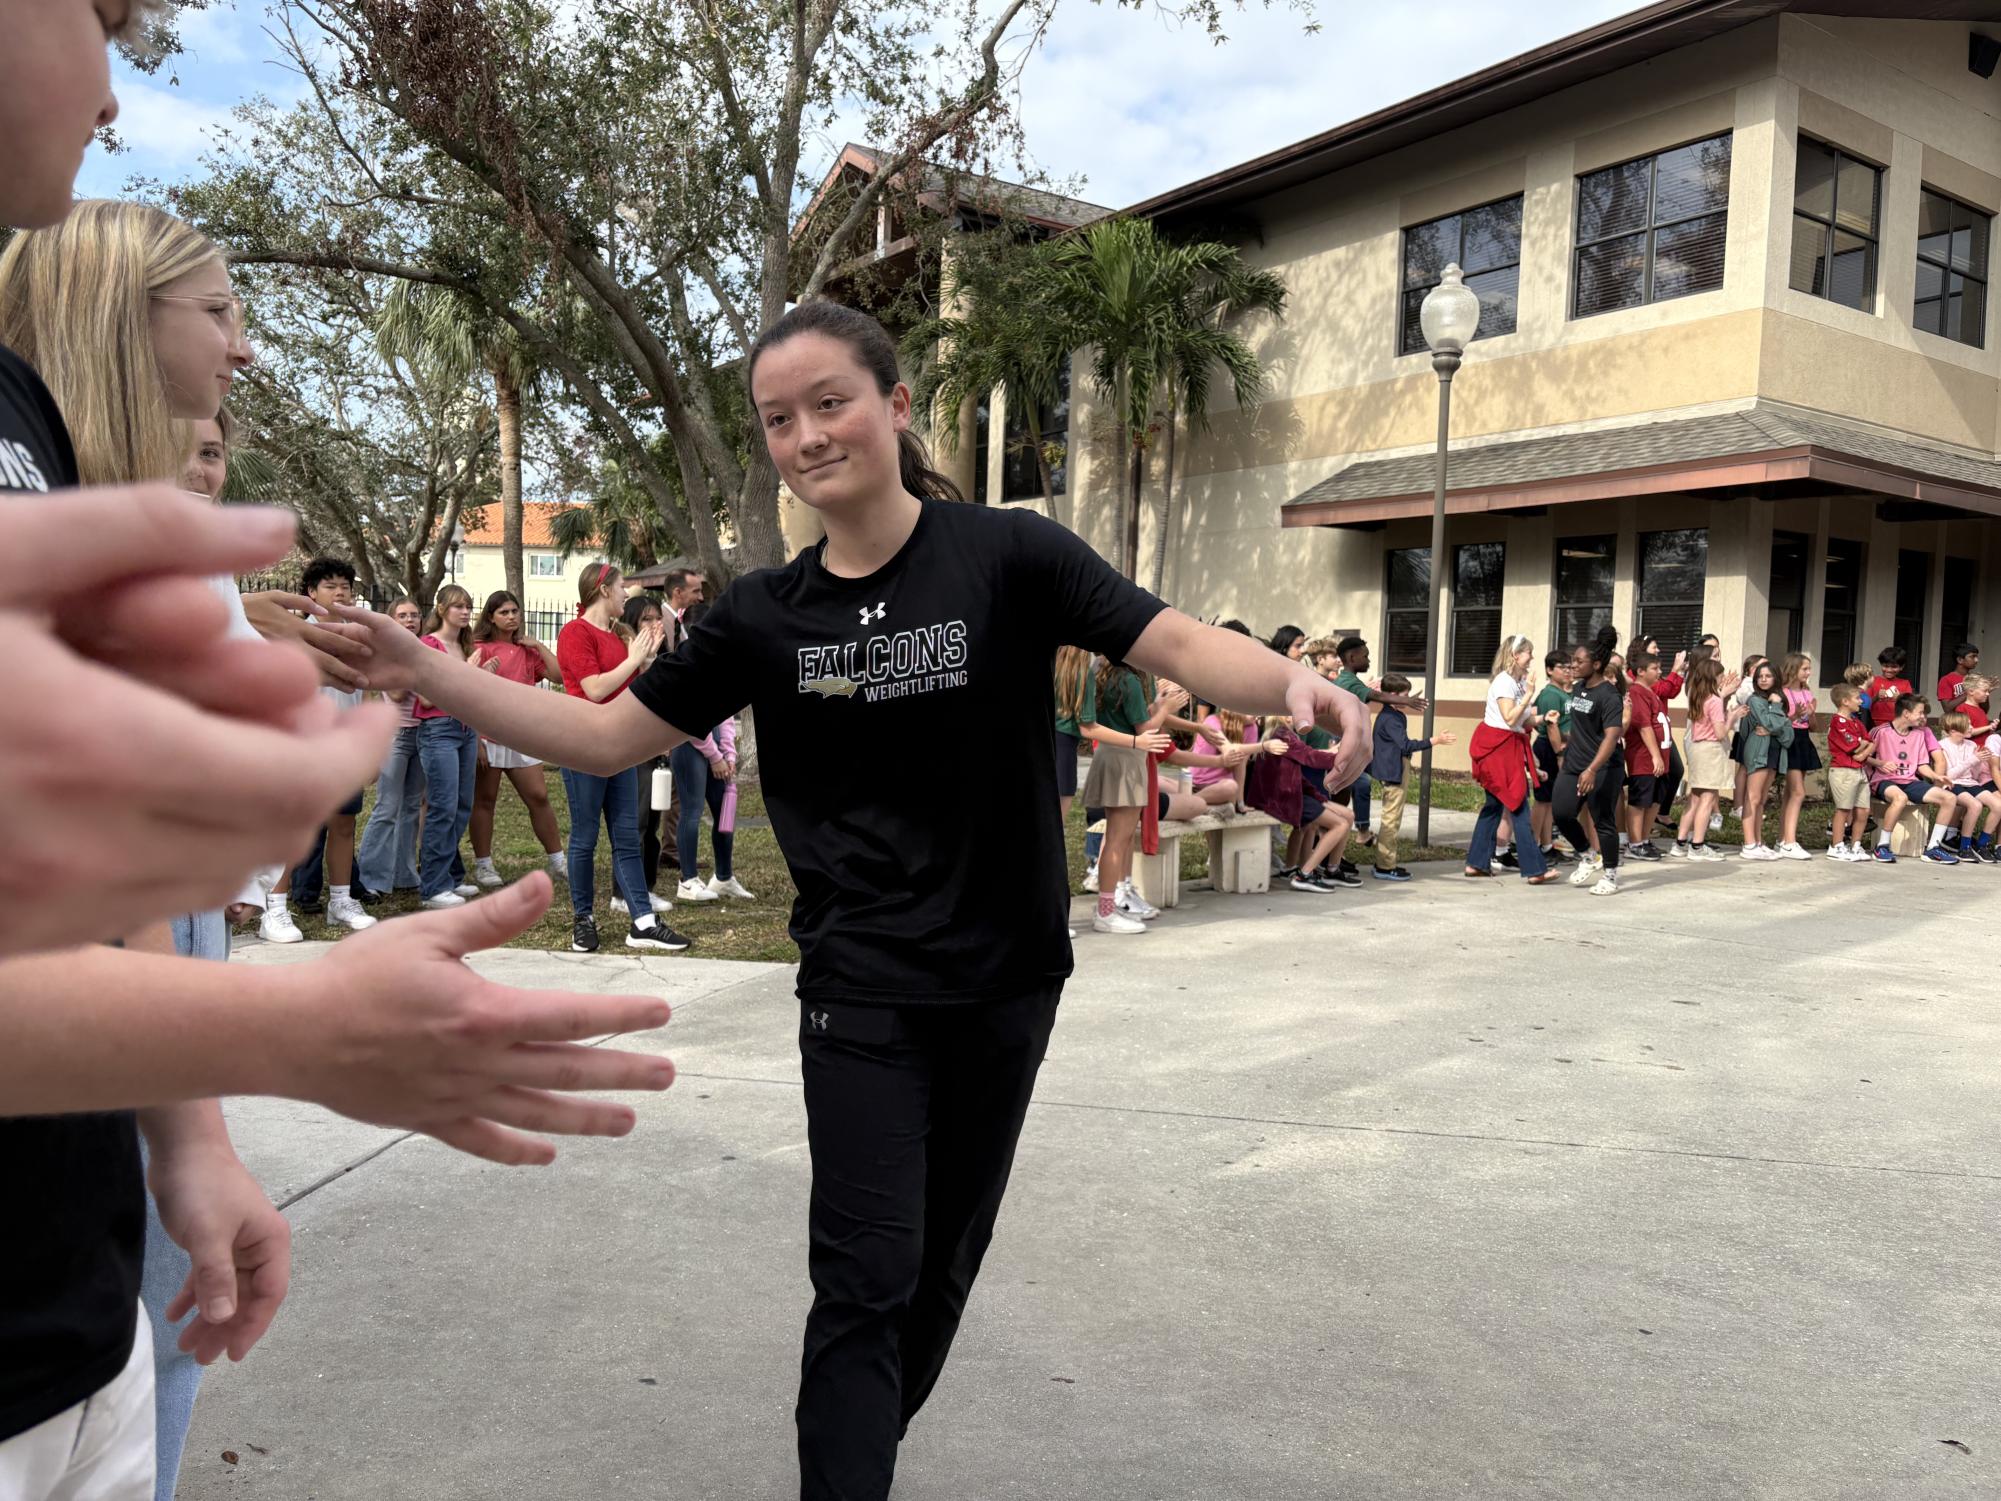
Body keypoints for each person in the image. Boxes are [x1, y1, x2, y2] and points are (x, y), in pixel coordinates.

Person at [333, 299, 1370, 1501]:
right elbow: (605, 736)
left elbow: (1178, 642)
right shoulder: (764, 615)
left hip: (1006, 980)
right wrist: (424, 669)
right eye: (780, 419)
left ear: (895, 405)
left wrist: (1298, 682)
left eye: (830, 403)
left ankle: (862, 1449)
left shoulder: (1008, 556)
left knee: (934, 1279)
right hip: (862, 989)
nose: (808, 436)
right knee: (865, 1279)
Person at [554, 562, 691, 952]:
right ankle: (584, 919)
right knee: (585, 837)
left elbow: (629, 690)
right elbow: (594, 690)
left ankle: (643, 922)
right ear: (601, 591)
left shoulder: (616, 637)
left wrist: (646, 660)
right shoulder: (575, 633)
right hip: (584, 745)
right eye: (619, 588)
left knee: (627, 837)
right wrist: (633, 661)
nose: (624, 594)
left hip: (621, 747)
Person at [274, 557, 381, 932]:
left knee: (343, 825)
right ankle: (274, 907)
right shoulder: (293, 634)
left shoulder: (357, 636)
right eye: (330, 585)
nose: (340, 592)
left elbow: (369, 693)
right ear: (311, 592)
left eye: (345, 586)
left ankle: (341, 900)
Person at [467, 591, 569, 890]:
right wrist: (476, 740)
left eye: (515, 611)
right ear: (491, 617)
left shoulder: (526, 650)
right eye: (504, 612)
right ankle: (484, 864)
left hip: (521, 734)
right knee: (485, 801)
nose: (511, 617)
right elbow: (468, 694)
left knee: (538, 796)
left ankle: (558, 861)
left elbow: (558, 676)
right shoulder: (479, 648)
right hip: (489, 734)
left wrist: (537, 645)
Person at [1079, 658, 1176, 932]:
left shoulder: (1099, 669)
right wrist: (1166, 707)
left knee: (1116, 839)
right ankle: (1105, 913)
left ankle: (1109, 908)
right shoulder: (1129, 680)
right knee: (1117, 841)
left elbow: (1134, 717)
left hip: (1109, 754)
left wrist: (1158, 702)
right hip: (1126, 761)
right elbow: (1145, 730)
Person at [412, 585, 485, 910]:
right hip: (439, 730)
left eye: (468, 606)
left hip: (466, 729)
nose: (465, 612)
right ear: (441, 609)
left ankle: (450, 877)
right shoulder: (429, 645)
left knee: (462, 805)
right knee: (442, 806)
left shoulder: (466, 645)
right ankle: (433, 887)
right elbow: (426, 697)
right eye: (458, 606)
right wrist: (466, 673)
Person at [1466, 635, 1555, 883]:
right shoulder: (1505, 683)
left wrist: (1543, 718)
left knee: (1494, 807)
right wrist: (1529, 695)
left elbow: (1523, 721)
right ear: (1515, 655)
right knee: (1518, 805)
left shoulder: (1517, 683)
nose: (1532, 658)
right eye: (1529, 653)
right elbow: (1509, 718)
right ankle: (1535, 870)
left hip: (1507, 747)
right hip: (1498, 749)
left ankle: (1476, 863)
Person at [356, 597, 428, 899]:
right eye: (402, 616)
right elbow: (397, 693)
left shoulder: (425, 650)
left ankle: (404, 874)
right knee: (387, 807)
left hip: (422, 734)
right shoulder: (386, 654)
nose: (409, 621)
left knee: (411, 807)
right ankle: (371, 877)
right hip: (395, 735)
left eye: (414, 615)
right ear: (392, 621)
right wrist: (419, 672)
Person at [1555, 627, 1625, 896]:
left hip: (1603, 767)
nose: (1573, 665)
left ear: (1596, 664)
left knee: (1603, 821)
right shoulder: (1579, 688)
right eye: (1572, 661)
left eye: (1579, 661)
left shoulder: (1609, 695)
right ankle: (1587, 854)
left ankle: (1610, 875)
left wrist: (1592, 769)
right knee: (1561, 813)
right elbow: (1582, 728)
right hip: (1574, 763)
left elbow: (1611, 736)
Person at [1370, 673, 1452, 881]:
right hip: (1392, 772)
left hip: (1397, 767)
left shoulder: (1395, 715)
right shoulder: (1390, 718)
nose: (1408, 699)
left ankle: (1384, 862)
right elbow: (1405, 745)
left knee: (1392, 817)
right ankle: (1385, 866)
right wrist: (1435, 740)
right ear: (1393, 696)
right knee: (1391, 819)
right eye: (1405, 696)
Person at [1869, 696, 1960, 864]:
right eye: (1920, 712)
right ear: (1906, 713)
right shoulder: (1880, 731)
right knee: (1900, 798)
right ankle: (1882, 845)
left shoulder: (1919, 735)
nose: (1922, 716)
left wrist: (1936, 776)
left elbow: (1921, 765)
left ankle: (1933, 848)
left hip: (1909, 781)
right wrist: (1880, 764)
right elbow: (1863, 757)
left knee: (1949, 798)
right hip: (1883, 780)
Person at [1677, 655, 1740, 863]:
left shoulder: (1698, 695)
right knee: (1708, 797)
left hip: (1697, 749)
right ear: (1713, 677)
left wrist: (1724, 695)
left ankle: (1680, 843)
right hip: (1710, 751)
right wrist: (1732, 717)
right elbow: (1721, 733)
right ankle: (1697, 845)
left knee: (1695, 797)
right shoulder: (1713, 701)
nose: (1723, 679)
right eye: (1721, 676)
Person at [1735, 659, 1793, 861]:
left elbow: (1787, 733)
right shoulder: (1755, 700)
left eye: (1768, 676)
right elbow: (1770, 723)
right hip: (1758, 750)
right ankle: (1749, 843)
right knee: (1752, 797)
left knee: (1761, 799)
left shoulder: (1778, 698)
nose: (1763, 679)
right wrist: (1775, 711)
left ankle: (1758, 842)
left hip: (1774, 751)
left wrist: (1776, 725)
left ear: (1776, 677)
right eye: (1760, 676)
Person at [1768, 651, 1820, 861]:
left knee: (1792, 793)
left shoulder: (1808, 693)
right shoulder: (1783, 693)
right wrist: (1796, 714)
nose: (1809, 672)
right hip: (1789, 740)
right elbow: (1779, 722)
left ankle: (1783, 839)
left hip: (1803, 739)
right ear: (1794, 669)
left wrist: (1812, 712)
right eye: (1805, 668)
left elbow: (1814, 726)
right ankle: (1789, 841)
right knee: (1798, 792)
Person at [1620, 651, 1668, 862]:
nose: (1659, 672)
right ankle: (1634, 843)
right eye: (1654, 668)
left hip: (1660, 759)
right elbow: (1644, 726)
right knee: (1640, 801)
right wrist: (1655, 755)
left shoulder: (1651, 691)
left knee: (1655, 800)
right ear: (1640, 671)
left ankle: (1644, 839)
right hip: (1643, 757)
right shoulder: (1637, 692)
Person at [1936, 712, 2001, 861]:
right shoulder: (1942, 746)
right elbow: (1949, 775)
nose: (1972, 728)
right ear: (1953, 730)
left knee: (1998, 805)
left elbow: (1974, 774)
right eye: (1968, 725)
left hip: (1970, 782)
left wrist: (1979, 761)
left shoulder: (1970, 744)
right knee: (1975, 805)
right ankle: (1964, 847)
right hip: (1952, 784)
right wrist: (1972, 760)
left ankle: (1981, 844)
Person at [1823, 684, 1877, 862]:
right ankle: (1836, 845)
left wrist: (1862, 748)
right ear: (1845, 701)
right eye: (1857, 699)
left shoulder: (1856, 722)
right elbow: (1852, 746)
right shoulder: (1838, 722)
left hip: (1859, 770)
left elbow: (1870, 742)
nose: (1861, 702)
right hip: (1843, 770)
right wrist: (1862, 747)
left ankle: (1856, 845)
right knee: (1844, 809)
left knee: (1863, 809)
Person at [1530, 651, 1573, 862]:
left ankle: (1547, 846)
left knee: (1549, 802)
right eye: (1562, 667)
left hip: (1560, 747)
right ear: (1549, 670)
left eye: (1570, 667)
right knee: (1542, 800)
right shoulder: (1550, 695)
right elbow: (1551, 725)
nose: (1568, 671)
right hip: (1549, 749)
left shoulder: (1564, 694)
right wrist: (1559, 753)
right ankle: (1532, 846)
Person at [1866, 646, 1913, 728]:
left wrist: (1899, 698)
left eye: (1894, 667)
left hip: (1898, 723)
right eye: (1886, 666)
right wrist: (1876, 697)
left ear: (1901, 667)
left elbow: (1910, 706)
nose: (1889, 670)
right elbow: (1865, 704)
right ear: (1881, 665)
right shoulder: (1872, 681)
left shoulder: (1905, 683)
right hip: (1874, 722)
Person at [1939, 642, 1980, 712]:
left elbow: (1984, 710)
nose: (1976, 660)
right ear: (1960, 660)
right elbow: (1947, 708)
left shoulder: (1975, 679)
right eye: (1972, 656)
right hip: (1958, 722)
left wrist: (1986, 692)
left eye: (1976, 657)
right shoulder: (1946, 680)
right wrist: (1969, 692)